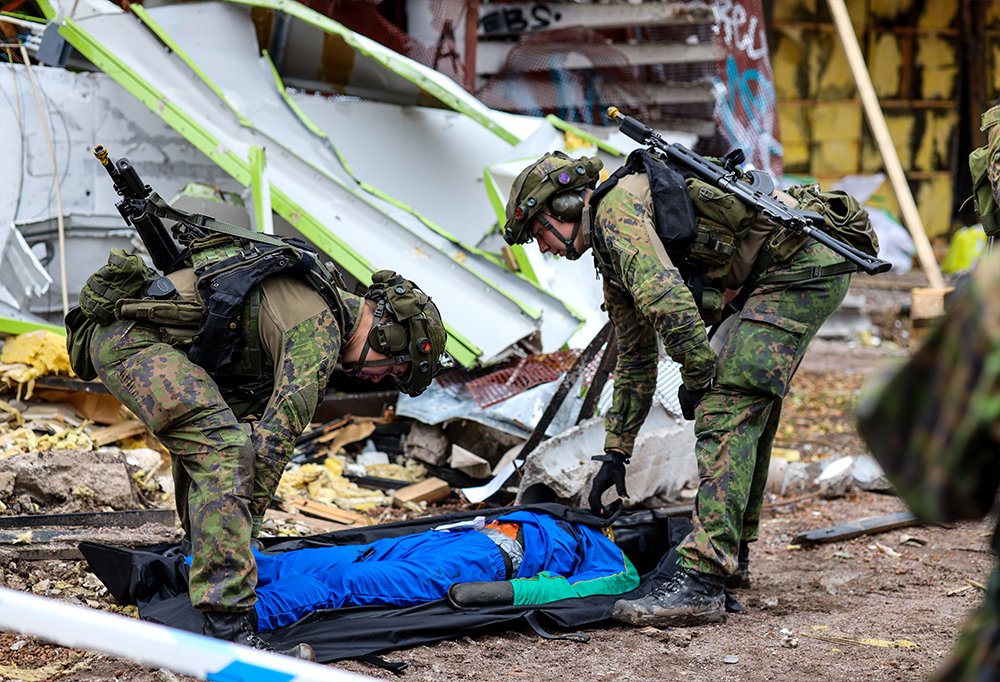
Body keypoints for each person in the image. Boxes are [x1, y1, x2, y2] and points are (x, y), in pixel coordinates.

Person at [503, 150, 867, 627]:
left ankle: (702, 579)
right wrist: (615, 455)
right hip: (784, 269)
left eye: (539, 234)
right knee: (747, 400)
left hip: (804, 263)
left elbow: (668, 303)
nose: (544, 249)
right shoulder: (609, 254)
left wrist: (698, 379)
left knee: (729, 402)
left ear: (566, 208)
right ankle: (730, 553)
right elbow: (634, 358)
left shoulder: (615, 215)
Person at [77, 247, 451, 657]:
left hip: (132, 338)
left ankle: (197, 566)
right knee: (226, 450)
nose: (376, 377)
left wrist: (227, 539)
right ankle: (227, 627)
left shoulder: (316, 300)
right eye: (393, 369)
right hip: (134, 343)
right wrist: (240, 543)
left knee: (216, 441)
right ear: (386, 335)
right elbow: (275, 441)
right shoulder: (318, 328)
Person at [208, 510, 639, 631]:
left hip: (477, 556)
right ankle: (201, 572)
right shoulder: (571, 521)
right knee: (315, 563)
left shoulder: (616, 562)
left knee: (343, 579)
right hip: (457, 543)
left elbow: (563, 592)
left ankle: (239, 615)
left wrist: (509, 592)